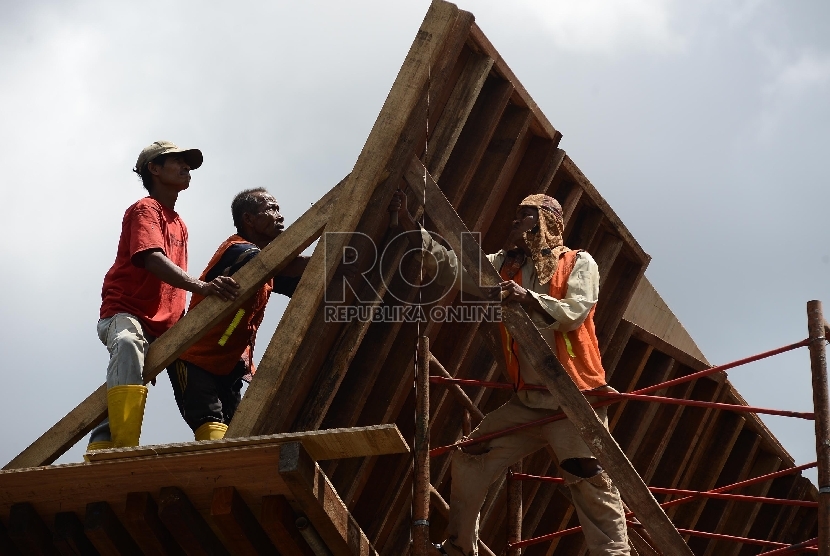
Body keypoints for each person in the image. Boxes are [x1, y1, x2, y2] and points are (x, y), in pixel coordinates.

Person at [388, 191, 629, 556]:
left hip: (574, 398)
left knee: (588, 480)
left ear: (546, 223)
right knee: (470, 456)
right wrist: (410, 225)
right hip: (529, 402)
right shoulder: (505, 265)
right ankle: (458, 550)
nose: (514, 223)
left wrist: (529, 297)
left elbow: (575, 311)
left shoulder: (579, 262)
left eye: (524, 217)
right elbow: (455, 266)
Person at [86, 141, 240, 457]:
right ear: (154, 169)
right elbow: (152, 259)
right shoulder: (146, 209)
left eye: (188, 162)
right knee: (128, 344)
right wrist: (202, 287)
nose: (186, 167)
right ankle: (121, 451)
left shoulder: (178, 222)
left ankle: (101, 447)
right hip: (126, 312)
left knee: (162, 373)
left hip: (165, 328)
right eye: (177, 161)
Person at [167, 188, 308, 441]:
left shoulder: (267, 270)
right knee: (210, 426)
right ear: (249, 219)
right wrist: (341, 244)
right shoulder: (239, 251)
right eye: (271, 209)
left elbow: (304, 281)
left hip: (227, 363)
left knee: (238, 434)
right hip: (194, 357)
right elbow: (291, 265)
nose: (280, 216)